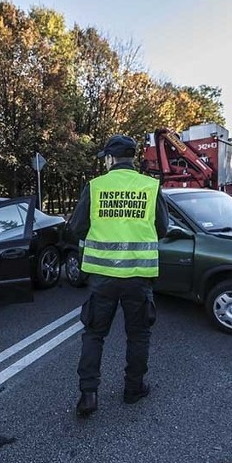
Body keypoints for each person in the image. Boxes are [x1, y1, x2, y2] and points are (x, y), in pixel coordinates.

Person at [70, 135, 169, 416]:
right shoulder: (150, 187)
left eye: (105, 158)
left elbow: (77, 227)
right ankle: (133, 389)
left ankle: (88, 395)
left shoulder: (95, 186)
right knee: (137, 335)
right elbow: (162, 228)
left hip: (102, 277)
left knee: (94, 335)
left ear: (111, 159)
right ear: (132, 159)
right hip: (138, 277)